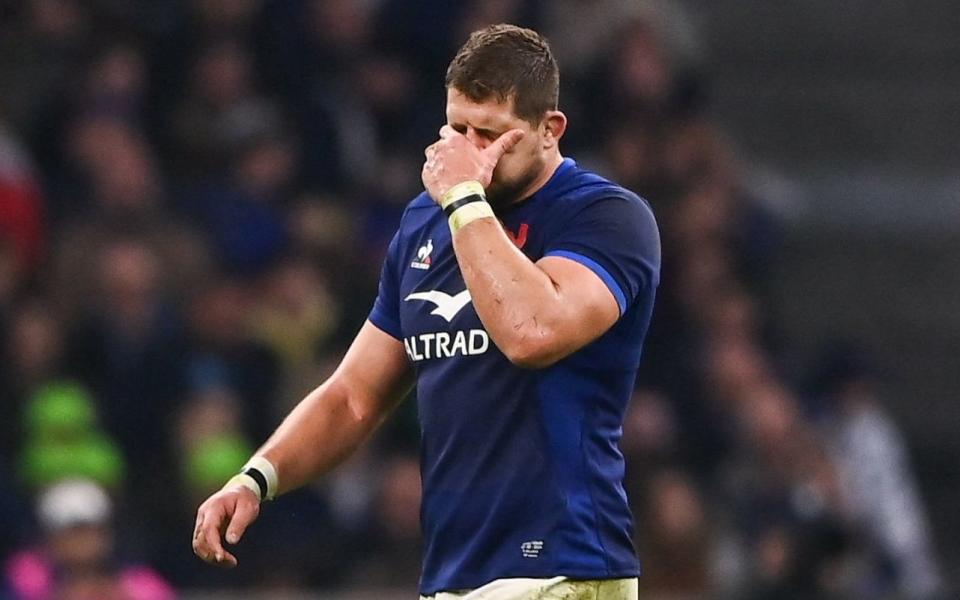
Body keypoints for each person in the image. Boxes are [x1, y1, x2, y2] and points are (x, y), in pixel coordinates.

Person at [192, 24, 661, 600]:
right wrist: (255, 479)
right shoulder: (424, 221)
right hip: (452, 573)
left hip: (563, 568)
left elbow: (533, 333)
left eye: (490, 135)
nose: (468, 151)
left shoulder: (605, 217)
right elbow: (353, 395)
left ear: (549, 129)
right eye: (457, 128)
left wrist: (464, 199)